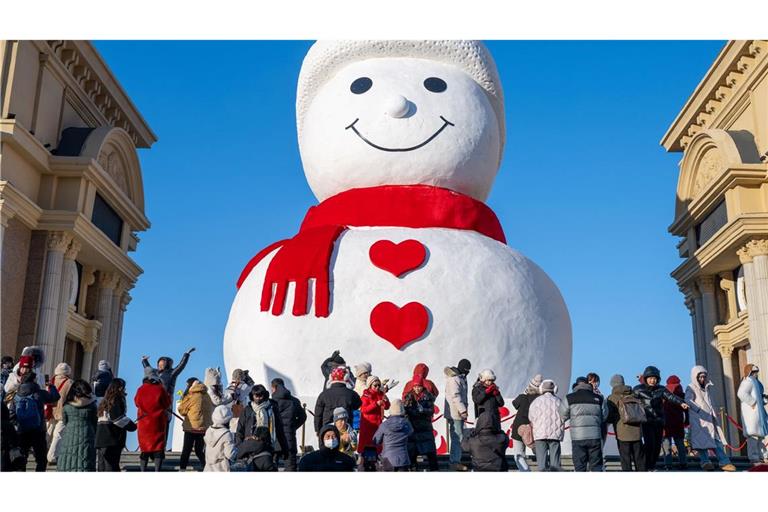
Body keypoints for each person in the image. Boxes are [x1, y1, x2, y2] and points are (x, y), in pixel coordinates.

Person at [633, 365, 689, 471]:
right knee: (650, 445)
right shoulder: (638, 389)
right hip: (646, 421)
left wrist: (681, 403)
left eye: (655, 378)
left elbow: (671, 397)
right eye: (650, 378)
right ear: (645, 378)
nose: (652, 380)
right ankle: (645, 466)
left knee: (657, 446)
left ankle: (652, 466)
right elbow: (632, 402)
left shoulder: (661, 389)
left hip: (658, 421)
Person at [685, 365, 736, 471]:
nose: (702, 379)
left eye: (704, 377)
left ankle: (724, 462)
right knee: (701, 443)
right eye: (700, 377)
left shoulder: (707, 387)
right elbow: (688, 400)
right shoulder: (691, 387)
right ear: (695, 377)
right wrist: (698, 410)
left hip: (710, 419)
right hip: (699, 420)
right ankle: (705, 462)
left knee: (717, 442)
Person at [142, 348, 195, 450]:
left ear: (167, 365)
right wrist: (144, 361)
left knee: (164, 426)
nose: (160, 366)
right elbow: (148, 369)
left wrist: (186, 354)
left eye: (162, 364)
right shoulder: (155, 373)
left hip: (166, 404)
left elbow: (181, 366)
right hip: (154, 403)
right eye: (159, 364)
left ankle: (161, 448)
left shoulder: (172, 373)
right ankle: (151, 447)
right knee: (152, 426)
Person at [8, 370, 59, 471]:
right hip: (38, 429)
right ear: (34, 380)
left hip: (22, 430)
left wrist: (17, 423)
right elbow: (55, 397)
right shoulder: (40, 393)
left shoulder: (17, 395)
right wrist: (51, 386)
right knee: (41, 459)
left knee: (22, 457)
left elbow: (11, 413)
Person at [559, 376, 608, 472]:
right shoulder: (599, 398)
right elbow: (604, 415)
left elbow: (562, 415)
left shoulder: (569, 397)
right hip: (595, 436)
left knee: (580, 466)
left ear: (576, 385)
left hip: (578, 437)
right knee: (596, 466)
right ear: (588, 384)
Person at [235, 384, 288, 465]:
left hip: (269, 446)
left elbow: (279, 429)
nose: (258, 398)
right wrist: (240, 446)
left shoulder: (272, 408)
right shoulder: (248, 410)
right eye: (256, 395)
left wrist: (284, 448)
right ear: (252, 396)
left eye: (260, 395)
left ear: (265, 395)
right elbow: (240, 429)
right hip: (250, 447)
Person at [134, 367, 171, 472]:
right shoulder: (160, 389)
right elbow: (167, 403)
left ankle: (143, 470)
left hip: (143, 423)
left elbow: (136, 403)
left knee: (145, 448)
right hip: (157, 421)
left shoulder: (140, 389)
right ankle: (157, 470)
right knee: (158, 446)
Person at [606, 374, 645, 471]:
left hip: (622, 433)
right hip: (637, 432)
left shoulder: (612, 398)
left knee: (625, 458)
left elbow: (609, 416)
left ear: (612, 384)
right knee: (639, 458)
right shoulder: (633, 395)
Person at [56, 379, 97, 472]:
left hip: (69, 436)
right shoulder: (92, 406)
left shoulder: (67, 406)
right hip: (87, 435)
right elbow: (94, 422)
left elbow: (65, 421)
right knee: (86, 460)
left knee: (67, 461)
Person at [95, 378, 135, 471]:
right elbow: (117, 418)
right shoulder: (116, 399)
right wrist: (132, 425)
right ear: (120, 388)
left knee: (102, 467)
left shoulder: (104, 401)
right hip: (111, 438)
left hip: (101, 437)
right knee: (111, 466)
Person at [270, 377, 307, 471]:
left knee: (271, 466)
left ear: (274, 388)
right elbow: (303, 417)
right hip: (289, 437)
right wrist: (292, 426)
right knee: (290, 467)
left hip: (274, 438)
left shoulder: (270, 402)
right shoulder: (294, 401)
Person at [178, 377, 214, 471]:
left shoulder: (192, 396)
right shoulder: (206, 395)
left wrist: (184, 398)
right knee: (199, 451)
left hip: (191, 428)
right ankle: (207, 467)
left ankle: (182, 469)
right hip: (203, 428)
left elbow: (182, 410)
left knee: (186, 450)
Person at [403, 374, 438, 471]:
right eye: (415, 386)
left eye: (419, 386)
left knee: (430, 450)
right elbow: (405, 410)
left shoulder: (428, 396)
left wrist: (423, 410)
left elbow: (431, 410)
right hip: (413, 427)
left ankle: (434, 469)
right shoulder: (408, 396)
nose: (417, 388)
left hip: (425, 427)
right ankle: (413, 468)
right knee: (412, 451)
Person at [528, 379, 563, 471]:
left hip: (540, 435)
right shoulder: (559, 401)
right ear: (554, 389)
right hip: (555, 436)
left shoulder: (536, 401)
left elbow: (531, 417)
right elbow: (564, 416)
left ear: (541, 389)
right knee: (555, 465)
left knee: (541, 464)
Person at [314, 366, 362, 434]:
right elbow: (358, 404)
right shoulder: (351, 394)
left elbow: (318, 415)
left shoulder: (323, 395)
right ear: (346, 377)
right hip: (346, 427)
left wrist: (318, 430)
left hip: (327, 428)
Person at [509, 374, 542, 471]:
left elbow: (514, 404)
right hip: (534, 429)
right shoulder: (540, 400)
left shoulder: (523, 397)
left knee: (519, 455)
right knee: (540, 452)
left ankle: (525, 472)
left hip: (518, 429)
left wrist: (525, 392)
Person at [737, 364, 768, 464]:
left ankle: (762, 456)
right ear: (750, 372)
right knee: (753, 437)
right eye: (754, 372)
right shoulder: (748, 382)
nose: (756, 375)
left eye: (756, 372)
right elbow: (741, 393)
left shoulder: (757, 384)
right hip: (751, 414)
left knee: (759, 437)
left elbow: (758, 397)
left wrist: (764, 399)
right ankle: (754, 457)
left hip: (757, 414)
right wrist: (753, 402)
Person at [443, 358, 471, 470]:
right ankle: (454, 461)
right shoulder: (455, 379)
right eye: (467, 369)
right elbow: (456, 396)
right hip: (455, 413)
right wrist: (463, 410)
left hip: (456, 412)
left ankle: (455, 460)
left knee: (457, 436)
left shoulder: (460, 378)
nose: (468, 372)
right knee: (457, 436)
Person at [373, 399, 413, 471]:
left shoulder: (384, 425)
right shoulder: (407, 423)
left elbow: (376, 441)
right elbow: (411, 434)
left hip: (387, 459)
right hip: (403, 459)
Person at [46, 362, 73, 463]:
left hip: (50, 410)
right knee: (58, 434)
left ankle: (41, 451)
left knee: (48, 432)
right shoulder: (70, 382)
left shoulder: (50, 381)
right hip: (62, 412)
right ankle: (51, 456)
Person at [358, 375, 390, 455]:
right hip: (368, 424)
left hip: (378, 423)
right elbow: (364, 409)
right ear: (370, 385)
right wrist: (376, 404)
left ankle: (378, 458)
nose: (377, 387)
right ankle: (362, 458)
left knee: (377, 443)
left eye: (379, 385)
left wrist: (386, 402)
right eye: (375, 385)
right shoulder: (365, 396)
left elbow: (387, 407)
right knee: (366, 444)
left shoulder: (381, 394)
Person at [662, 374, 688, 470]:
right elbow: (687, 410)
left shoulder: (664, 392)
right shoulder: (681, 394)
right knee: (680, 444)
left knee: (666, 445)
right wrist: (686, 422)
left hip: (666, 422)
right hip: (678, 423)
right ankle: (683, 463)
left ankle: (668, 464)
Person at [204, 405, 238, 472]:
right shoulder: (227, 434)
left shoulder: (208, 430)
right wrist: (237, 450)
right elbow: (230, 454)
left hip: (208, 468)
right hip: (221, 468)